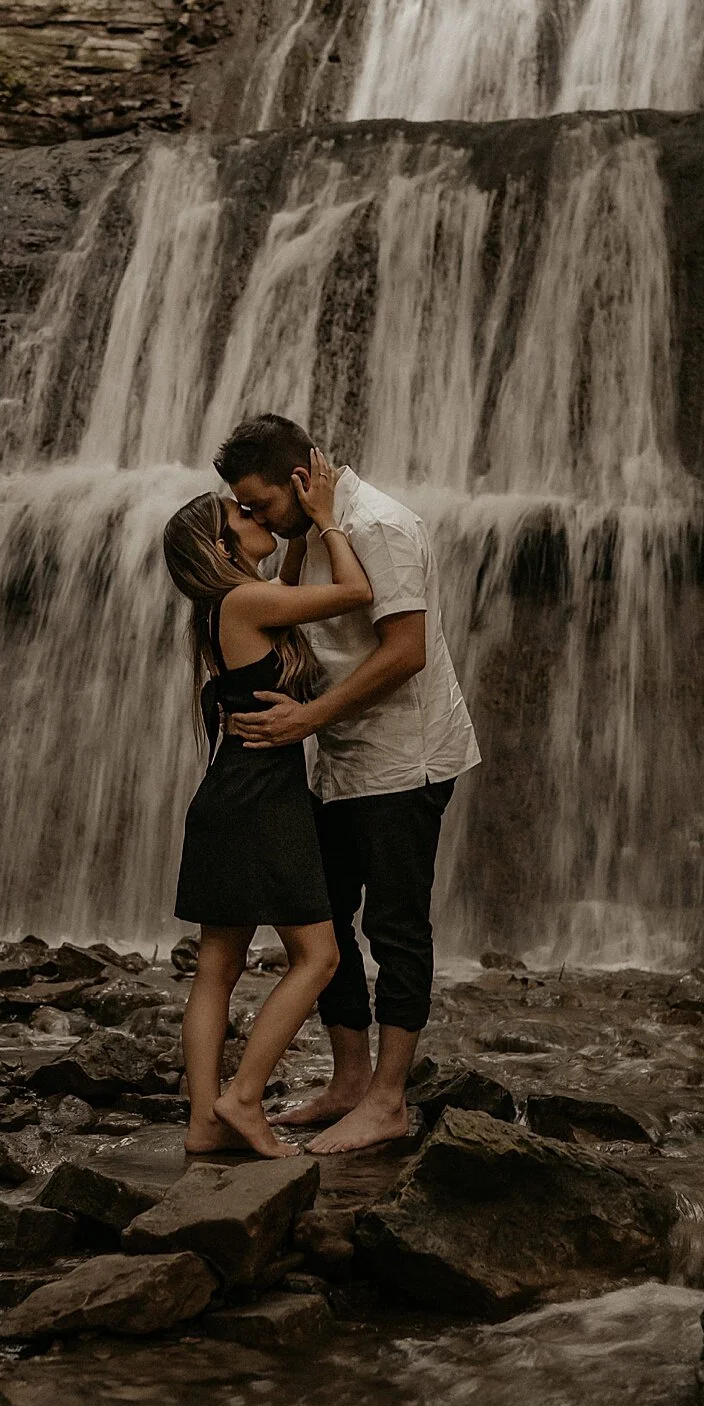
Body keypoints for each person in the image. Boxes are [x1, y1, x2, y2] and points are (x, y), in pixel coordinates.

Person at [215, 412, 480, 1154]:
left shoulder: (382, 527)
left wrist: (306, 720)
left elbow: (405, 652)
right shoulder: (313, 533)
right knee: (322, 917)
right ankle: (350, 1081)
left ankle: (389, 1100)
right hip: (341, 759)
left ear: (301, 480)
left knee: (395, 926)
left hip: (404, 759)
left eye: (256, 504)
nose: (247, 519)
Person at [162, 449, 375, 1159]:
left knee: (217, 968)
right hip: (261, 801)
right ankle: (244, 1098)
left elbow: (286, 588)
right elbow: (354, 594)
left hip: (231, 794)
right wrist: (325, 525)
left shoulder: (228, 605)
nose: (255, 516)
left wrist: (295, 544)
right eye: (240, 515)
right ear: (219, 544)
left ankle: (203, 1123)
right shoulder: (246, 603)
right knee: (319, 958)